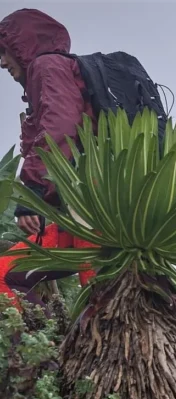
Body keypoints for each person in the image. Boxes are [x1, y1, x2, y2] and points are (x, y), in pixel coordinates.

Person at [0, 8, 96, 308]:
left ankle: (32, 353)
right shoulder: (54, 74)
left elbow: (60, 131)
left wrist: (32, 195)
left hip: (95, 215)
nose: (2, 62)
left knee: (103, 307)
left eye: (4, 52)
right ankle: (35, 352)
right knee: (4, 272)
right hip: (82, 219)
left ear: (21, 47)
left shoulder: (47, 66)